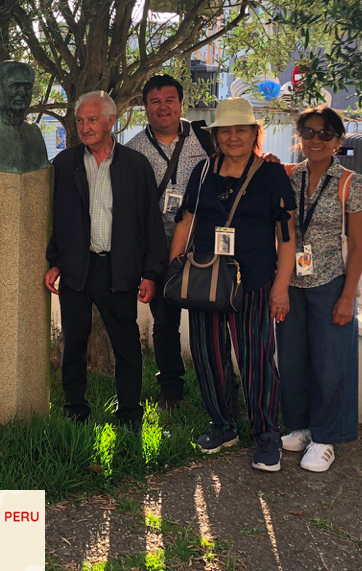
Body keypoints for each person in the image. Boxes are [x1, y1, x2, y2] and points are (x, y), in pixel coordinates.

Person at [169, 97, 296, 472]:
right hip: (206, 281)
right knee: (208, 356)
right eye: (226, 131)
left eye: (241, 129)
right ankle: (223, 425)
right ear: (216, 136)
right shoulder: (202, 172)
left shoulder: (271, 174)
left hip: (254, 281)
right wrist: (174, 272)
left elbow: (287, 236)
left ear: (254, 133)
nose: (233, 137)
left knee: (257, 359)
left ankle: (267, 433)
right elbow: (185, 222)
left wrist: (280, 287)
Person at [44, 91, 167, 428]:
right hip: (77, 267)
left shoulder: (135, 165)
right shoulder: (64, 164)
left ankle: (129, 414)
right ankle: (75, 410)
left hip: (119, 268)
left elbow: (150, 223)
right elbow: (54, 219)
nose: (85, 127)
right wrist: (55, 261)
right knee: (74, 341)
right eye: (80, 121)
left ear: (111, 121)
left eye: (92, 120)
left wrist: (150, 272)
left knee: (126, 344)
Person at [277, 106, 362, 472]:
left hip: (331, 282)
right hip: (292, 282)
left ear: (338, 141)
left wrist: (348, 296)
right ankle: (301, 426)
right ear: (298, 135)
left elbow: (358, 246)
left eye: (325, 134)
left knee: (332, 363)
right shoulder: (288, 176)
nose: (316, 140)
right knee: (293, 359)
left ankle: (327, 436)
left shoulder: (351, 183)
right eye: (309, 132)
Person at [125, 74, 214, 410]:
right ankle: (171, 391)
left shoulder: (205, 139)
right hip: (158, 250)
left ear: (181, 103)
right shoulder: (133, 150)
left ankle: (219, 388)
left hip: (203, 246)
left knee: (209, 320)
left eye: (170, 100)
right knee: (165, 323)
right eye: (155, 101)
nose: (163, 107)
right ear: (145, 107)